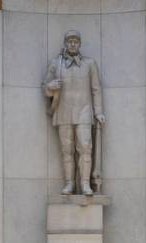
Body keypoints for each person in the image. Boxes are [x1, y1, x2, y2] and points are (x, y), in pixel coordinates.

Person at [42, 30, 105, 196]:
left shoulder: (90, 64)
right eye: (69, 41)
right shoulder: (56, 63)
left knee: (85, 147)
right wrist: (51, 86)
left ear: (80, 43)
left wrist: (99, 112)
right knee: (67, 149)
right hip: (63, 110)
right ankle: (69, 183)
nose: (72, 44)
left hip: (84, 110)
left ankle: (85, 183)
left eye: (75, 41)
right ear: (65, 43)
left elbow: (96, 89)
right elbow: (45, 87)